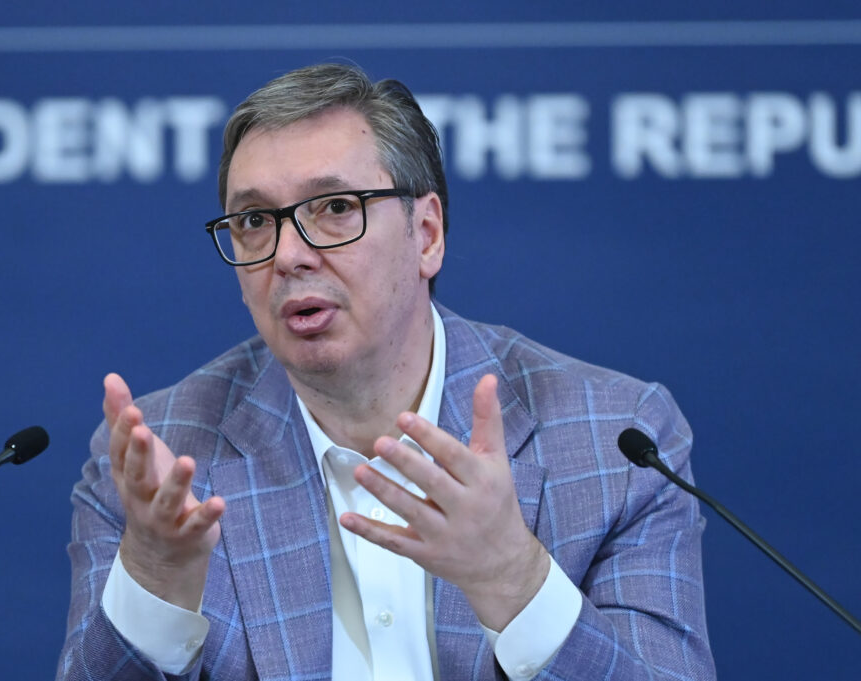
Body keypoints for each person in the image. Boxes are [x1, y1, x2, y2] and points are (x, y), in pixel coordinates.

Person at [57, 63, 715, 681]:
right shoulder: (159, 462)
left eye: (335, 208)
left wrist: (514, 579)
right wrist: (154, 581)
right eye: (255, 221)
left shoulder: (614, 443)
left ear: (426, 234)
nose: (287, 255)